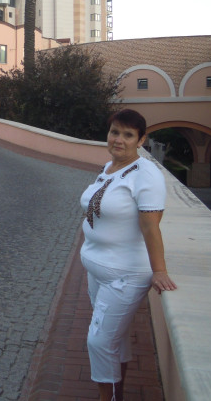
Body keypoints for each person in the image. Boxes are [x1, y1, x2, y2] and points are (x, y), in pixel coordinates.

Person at [80, 109, 177, 401]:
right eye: (114, 132)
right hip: (98, 271)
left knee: (99, 341)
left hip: (124, 275)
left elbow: (150, 226)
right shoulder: (109, 167)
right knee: (114, 338)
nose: (118, 140)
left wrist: (159, 270)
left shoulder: (146, 174)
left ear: (141, 140)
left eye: (128, 135)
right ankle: (116, 395)